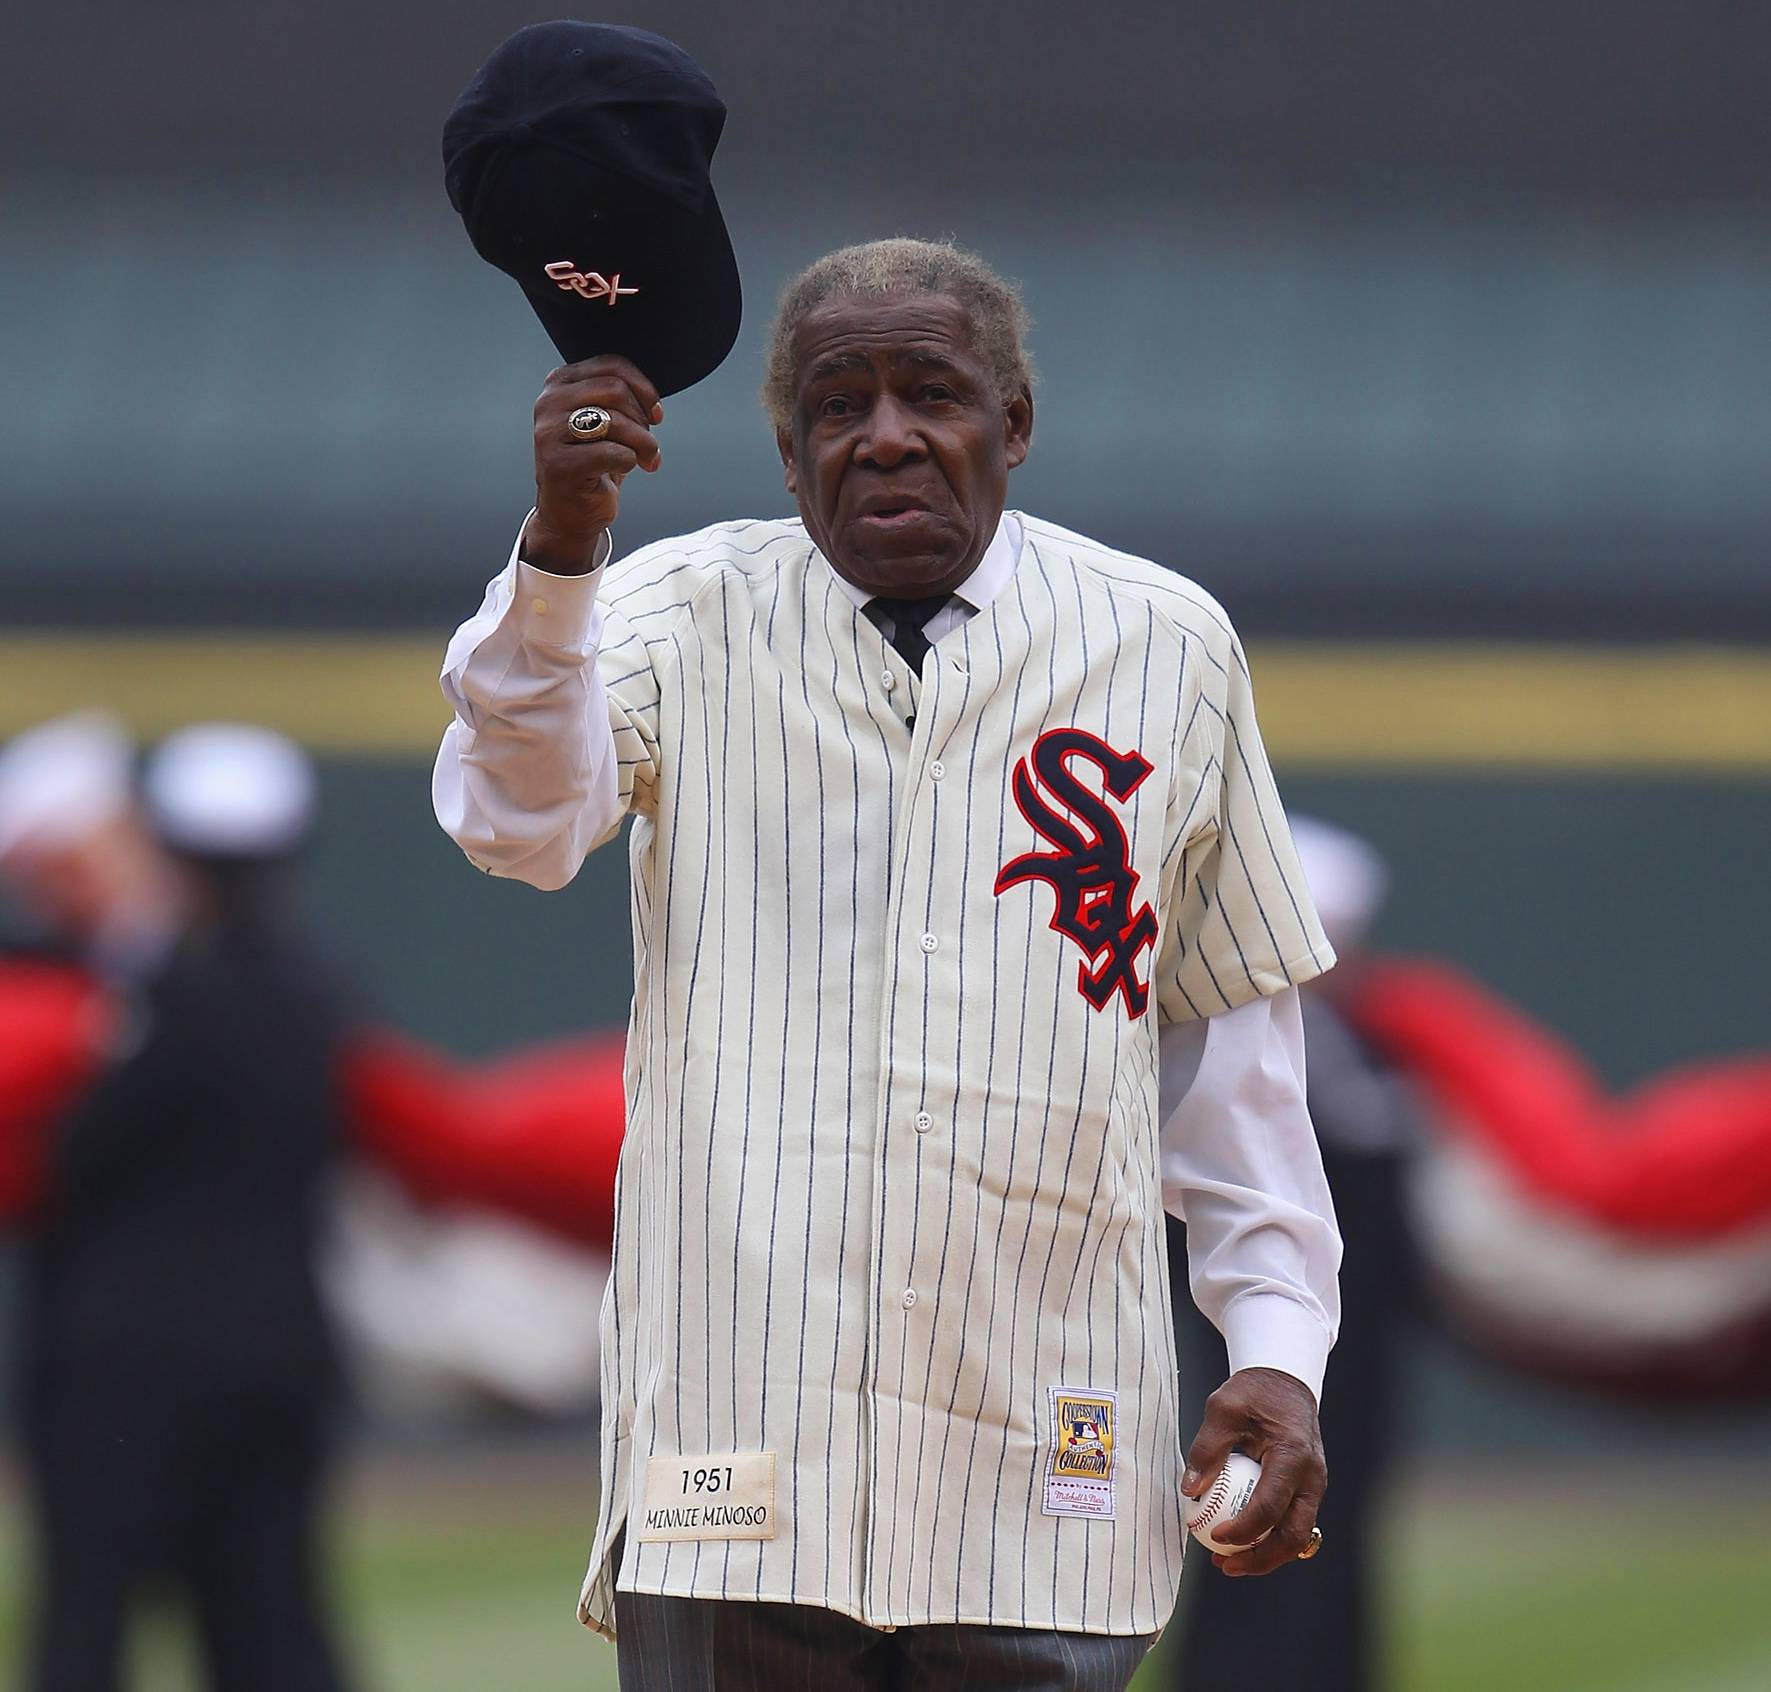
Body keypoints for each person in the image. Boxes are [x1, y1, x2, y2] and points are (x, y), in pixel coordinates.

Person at [434, 236, 1343, 1689]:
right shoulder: (674, 610)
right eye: (836, 406)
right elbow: (513, 821)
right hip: (736, 1442)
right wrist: (557, 553)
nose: (886, 435)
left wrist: (1277, 1346)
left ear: (1015, 424)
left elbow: (1227, 1047)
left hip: (1044, 1432)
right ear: (787, 456)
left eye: (931, 392)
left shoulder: (1166, 645)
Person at [0, 717, 355, 1692]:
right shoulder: (311, 1002)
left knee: (89, 1636)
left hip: (114, 1379)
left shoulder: (120, 1006)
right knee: (273, 1639)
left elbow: (61, 1162)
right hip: (271, 1363)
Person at [1170, 816, 1423, 1692]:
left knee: (1323, 1530)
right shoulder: (1298, 1058)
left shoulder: (1357, 1055)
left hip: (1325, 1354)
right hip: (1265, 1352)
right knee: (1257, 1529)